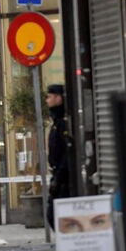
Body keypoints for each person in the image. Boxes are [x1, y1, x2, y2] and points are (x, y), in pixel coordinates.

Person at [46, 84, 71, 229]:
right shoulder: (56, 121)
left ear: (58, 98)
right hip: (58, 175)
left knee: (55, 215)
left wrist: (59, 177)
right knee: (53, 215)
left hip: (64, 178)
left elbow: (66, 152)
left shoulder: (63, 122)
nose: (47, 100)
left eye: (49, 97)